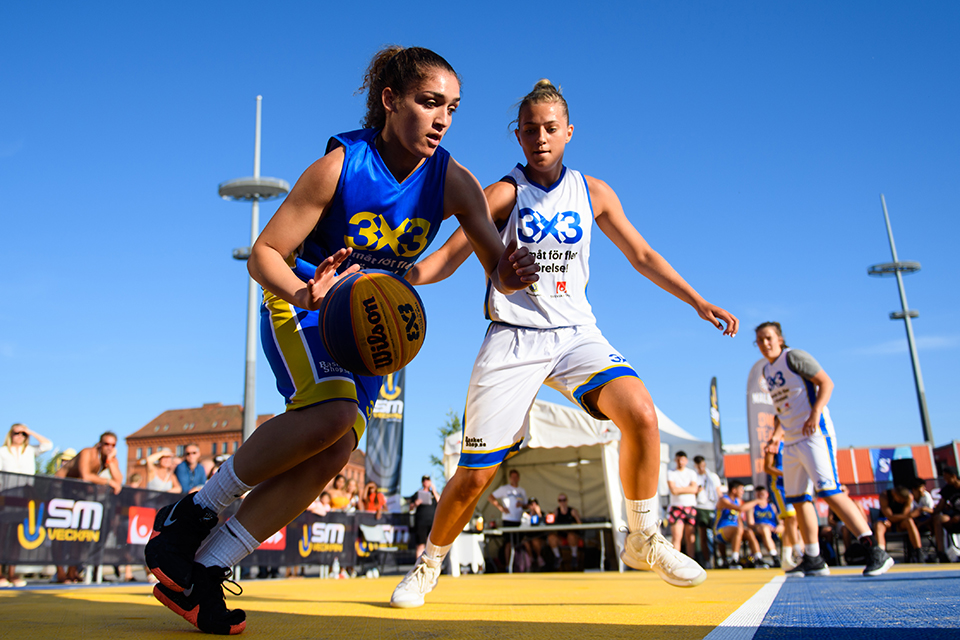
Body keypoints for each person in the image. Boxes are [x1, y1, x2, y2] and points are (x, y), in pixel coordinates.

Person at [144, 45, 537, 636]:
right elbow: (264, 254)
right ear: (390, 100)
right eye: (430, 102)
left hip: (367, 330)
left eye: (452, 108)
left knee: (333, 450)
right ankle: (191, 514)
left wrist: (514, 269)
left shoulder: (454, 179)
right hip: (302, 300)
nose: (442, 119)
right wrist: (306, 294)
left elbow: (494, 262)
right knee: (331, 414)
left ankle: (207, 567)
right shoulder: (341, 165)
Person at [390, 79, 738, 608]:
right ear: (518, 136)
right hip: (513, 336)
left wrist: (696, 300)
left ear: (569, 132)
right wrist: (390, 275)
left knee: (641, 413)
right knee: (472, 476)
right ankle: (429, 564)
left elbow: (641, 254)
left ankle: (643, 538)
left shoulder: (594, 192)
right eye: (530, 130)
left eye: (551, 128)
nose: (541, 138)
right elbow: (444, 258)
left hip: (576, 334)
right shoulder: (502, 194)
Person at [755, 322, 893, 577]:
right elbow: (783, 408)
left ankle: (875, 549)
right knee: (798, 499)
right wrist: (777, 436)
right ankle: (813, 557)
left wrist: (815, 413)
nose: (765, 344)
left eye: (768, 338)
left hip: (814, 433)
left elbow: (826, 383)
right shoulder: (766, 370)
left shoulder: (794, 357)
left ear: (780, 338)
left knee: (829, 490)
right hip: (792, 439)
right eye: (760, 340)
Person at [0, 423, 52, 587]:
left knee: (16, 536)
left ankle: (12, 574)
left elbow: (47, 445)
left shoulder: (30, 450)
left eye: (23, 434)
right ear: (10, 434)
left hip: (24, 495)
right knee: (2, 534)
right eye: (17, 433)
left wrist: (29, 431)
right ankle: (0, 573)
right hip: (6, 494)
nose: (20, 436)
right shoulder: (2, 452)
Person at [763, 424, 801, 571]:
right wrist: (785, 474)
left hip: (793, 484)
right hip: (779, 486)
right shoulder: (774, 443)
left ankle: (787, 557)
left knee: (793, 521)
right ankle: (797, 552)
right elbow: (767, 467)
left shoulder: (793, 440)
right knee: (790, 518)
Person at [714, 481, 765, 570]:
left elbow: (739, 520)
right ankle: (734, 559)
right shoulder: (724, 500)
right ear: (734, 490)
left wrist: (744, 529)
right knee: (738, 529)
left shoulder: (737, 501)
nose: (743, 492)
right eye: (741, 489)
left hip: (736, 530)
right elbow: (740, 509)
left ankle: (758, 558)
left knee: (748, 531)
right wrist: (756, 501)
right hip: (720, 530)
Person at [55, 431, 123, 495]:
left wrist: (109, 460)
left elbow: (118, 481)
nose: (109, 448)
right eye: (106, 444)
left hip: (75, 488)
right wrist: (109, 482)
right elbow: (85, 476)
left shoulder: (111, 459)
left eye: (113, 445)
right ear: (100, 444)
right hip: (59, 484)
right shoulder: (87, 452)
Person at [875, 486, 923, 562]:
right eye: (900, 499)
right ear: (894, 494)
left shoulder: (909, 497)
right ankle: (880, 554)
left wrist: (907, 516)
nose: (901, 501)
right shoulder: (884, 496)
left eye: (903, 500)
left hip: (900, 523)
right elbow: (890, 517)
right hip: (887, 523)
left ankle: (919, 553)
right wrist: (910, 515)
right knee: (879, 525)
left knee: (909, 521)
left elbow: (904, 515)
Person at [667, 451, 700, 558]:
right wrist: (688, 489)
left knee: (690, 537)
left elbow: (694, 489)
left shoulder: (691, 473)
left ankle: (691, 561)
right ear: (675, 460)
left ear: (686, 460)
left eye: (682, 459)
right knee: (677, 537)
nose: (680, 462)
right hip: (677, 506)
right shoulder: (671, 473)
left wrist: (679, 489)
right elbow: (673, 490)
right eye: (678, 459)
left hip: (690, 506)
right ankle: (676, 561)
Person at [692, 455, 720, 569]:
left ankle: (719, 559)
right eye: (698, 466)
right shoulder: (694, 477)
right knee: (702, 536)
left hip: (712, 506)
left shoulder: (712, 477)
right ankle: (707, 561)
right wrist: (697, 491)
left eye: (702, 465)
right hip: (700, 507)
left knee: (716, 534)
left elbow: (718, 492)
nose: (701, 468)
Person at [545, 493, 583, 571]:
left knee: (571, 536)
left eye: (564, 500)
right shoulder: (557, 511)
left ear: (567, 501)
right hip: (561, 538)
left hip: (573, 538)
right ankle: (558, 556)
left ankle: (574, 556)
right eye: (560, 500)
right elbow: (550, 523)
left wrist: (575, 517)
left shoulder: (572, 511)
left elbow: (580, 525)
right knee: (551, 537)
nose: (562, 502)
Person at [749, 486, 782, 567]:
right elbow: (750, 524)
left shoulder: (772, 506)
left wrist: (780, 526)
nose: (761, 496)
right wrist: (763, 525)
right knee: (765, 530)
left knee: (792, 530)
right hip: (759, 530)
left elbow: (780, 521)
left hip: (773, 529)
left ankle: (798, 554)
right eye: (758, 494)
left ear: (767, 494)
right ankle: (774, 556)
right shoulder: (752, 507)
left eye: (762, 494)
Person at [932, 466, 960, 562]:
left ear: (954, 476)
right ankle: (941, 552)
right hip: (953, 517)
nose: (944, 479)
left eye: (946, 476)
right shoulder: (947, 489)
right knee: (939, 519)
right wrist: (933, 512)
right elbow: (940, 505)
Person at [410, 475, 441, 559]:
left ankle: (431, 565)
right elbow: (410, 507)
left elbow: (440, 503)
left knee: (432, 545)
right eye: (424, 480)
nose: (426, 482)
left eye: (427, 480)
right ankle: (418, 565)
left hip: (432, 522)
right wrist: (416, 503)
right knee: (420, 544)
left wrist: (434, 491)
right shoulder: (417, 494)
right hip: (421, 522)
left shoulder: (434, 494)